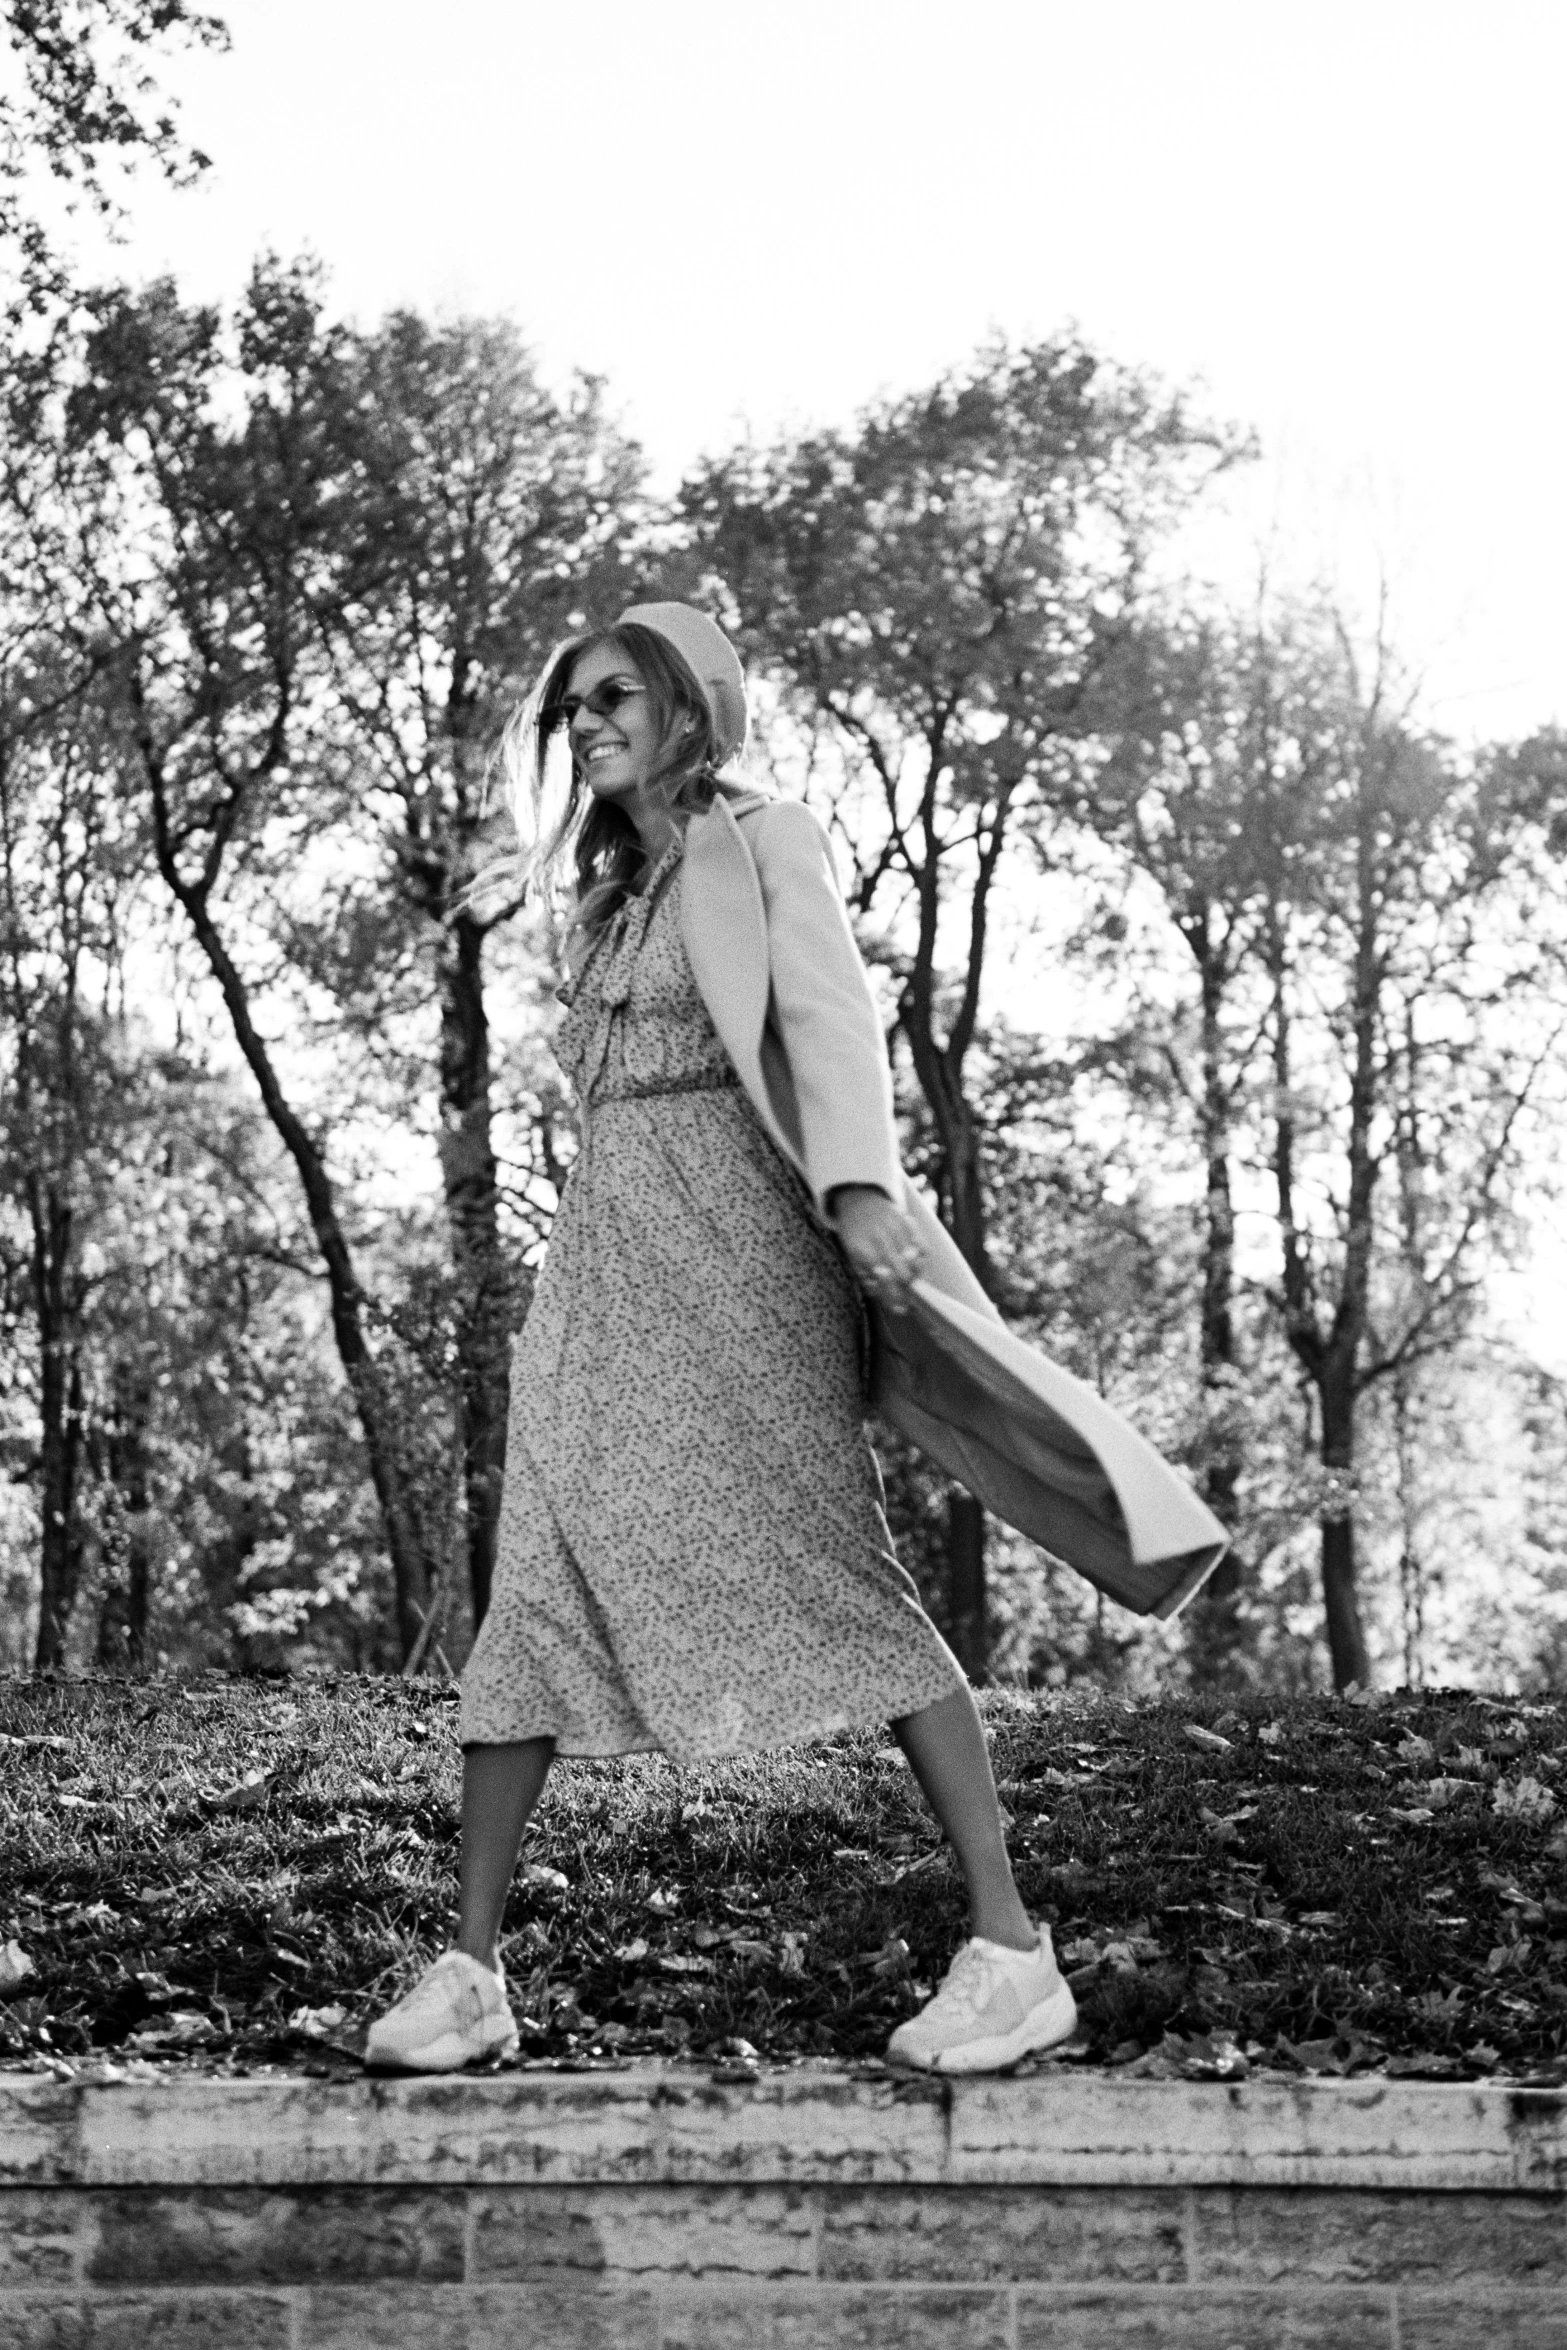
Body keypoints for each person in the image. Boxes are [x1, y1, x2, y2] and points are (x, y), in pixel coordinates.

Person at [365, 601, 1077, 2078]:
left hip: (747, 1259)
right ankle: (473, 1969)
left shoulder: (765, 842)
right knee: (535, 1581)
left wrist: (864, 1190)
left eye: (616, 693)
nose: (588, 721)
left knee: (836, 1563)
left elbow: (827, 1020)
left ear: (693, 703)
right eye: (572, 706)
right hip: (603, 1275)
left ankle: (1011, 1950)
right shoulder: (612, 895)